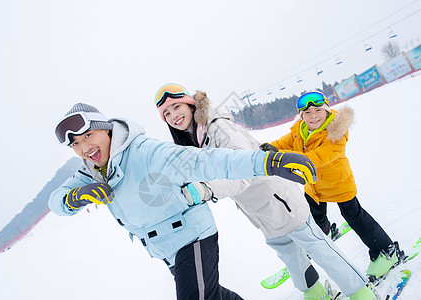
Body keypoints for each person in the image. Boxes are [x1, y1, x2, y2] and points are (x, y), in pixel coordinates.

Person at [48, 102, 316, 300]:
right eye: (75, 145)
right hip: (164, 248)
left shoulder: (145, 151)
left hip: (191, 236)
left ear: (105, 130)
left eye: (88, 136)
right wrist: (75, 197)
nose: (84, 148)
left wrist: (268, 161)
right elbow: (56, 202)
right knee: (213, 295)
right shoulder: (89, 171)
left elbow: (207, 160)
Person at [154, 83, 377, 300]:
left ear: (190, 105)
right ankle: (314, 292)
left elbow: (242, 170)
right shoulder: (198, 137)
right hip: (259, 208)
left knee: (319, 247)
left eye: (177, 107)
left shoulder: (217, 127)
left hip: (278, 198)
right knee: (288, 253)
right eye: (167, 113)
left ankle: (361, 293)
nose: (174, 115)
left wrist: (205, 189)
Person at [264, 91, 405, 282]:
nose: (313, 115)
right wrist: (269, 150)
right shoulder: (300, 130)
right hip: (313, 186)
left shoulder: (336, 132)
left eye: (317, 110)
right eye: (307, 113)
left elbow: (319, 157)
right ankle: (325, 232)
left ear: (326, 110)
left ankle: (386, 250)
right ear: (301, 116)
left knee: (354, 216)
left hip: (338, 184)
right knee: (313, 216)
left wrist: (286, 159)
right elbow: (282, 143)